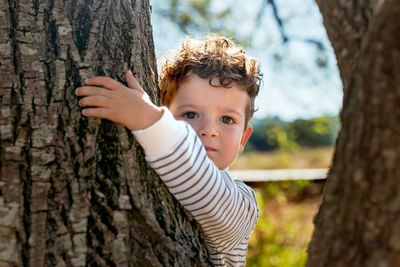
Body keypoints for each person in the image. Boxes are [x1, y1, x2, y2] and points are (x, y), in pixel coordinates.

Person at [75, 34, 261, 266]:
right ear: (166, 113)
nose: (209, 130)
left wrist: (146, 118)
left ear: (243, 137)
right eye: (190, 114)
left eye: (227, 119)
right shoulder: (151, 162)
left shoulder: (243, 205)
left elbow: (203, 186)